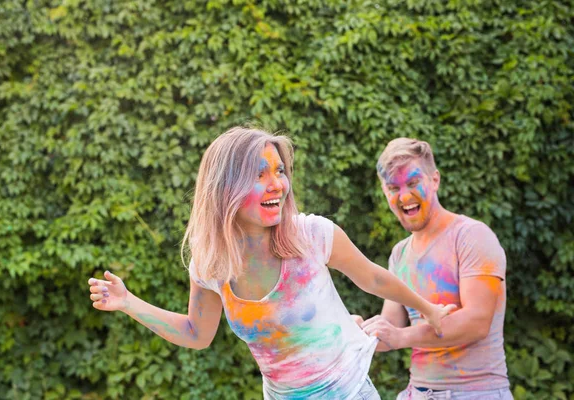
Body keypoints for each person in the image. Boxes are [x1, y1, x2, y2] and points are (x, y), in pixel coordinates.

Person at [88, 128, 454, 400]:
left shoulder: (311, 235)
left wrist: (429, 311)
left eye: (279, 171)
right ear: (224, 187)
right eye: (260, 174)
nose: (277, 184)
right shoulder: (211, 264)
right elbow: (196, 334)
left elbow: (373, 278)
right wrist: (127, 302)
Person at [355, 138, 512, 399]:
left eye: (413, 183)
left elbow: (477, 323)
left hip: (476, 392)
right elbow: (390, 330)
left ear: (435, 180)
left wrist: (401, 337)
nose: (404, 196)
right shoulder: (400, 254)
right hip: (418, 392)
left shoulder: (472, 236)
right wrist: (358, 331)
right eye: (393, 187)